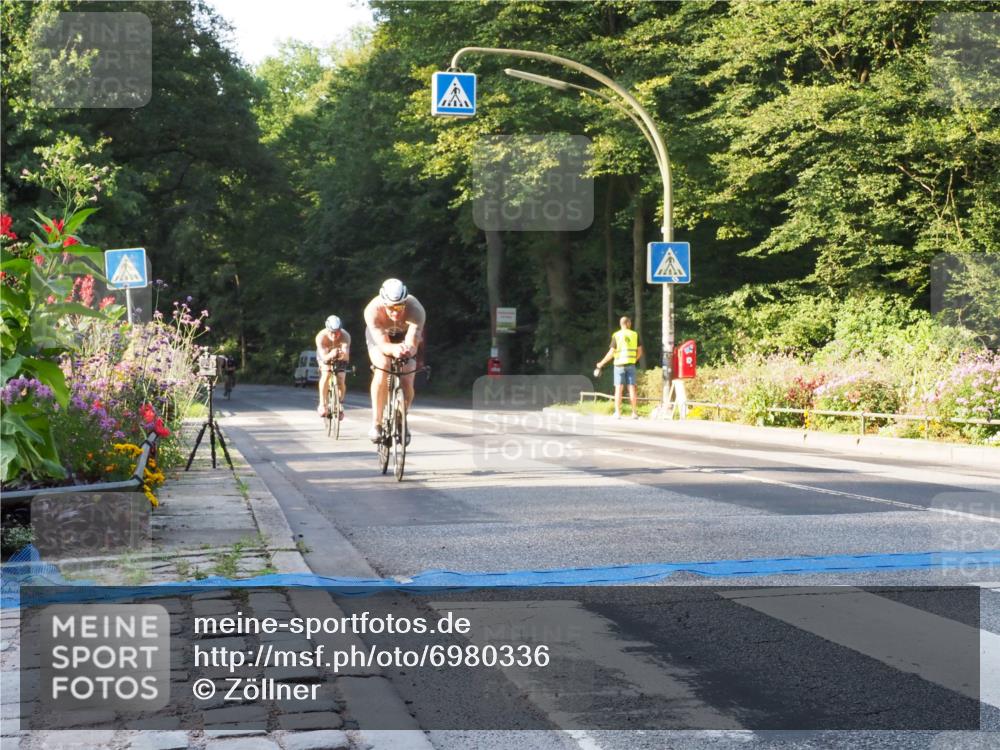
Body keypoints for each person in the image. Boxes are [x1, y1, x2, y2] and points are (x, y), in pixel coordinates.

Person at [364, 278, 425, 443]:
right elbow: (383, 344)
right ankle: (376, 423)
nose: (395, 312)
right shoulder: (372, 310)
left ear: (405, 302)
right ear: (383, 303)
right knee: (383, 366)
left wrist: (407, 349)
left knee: (408, 375)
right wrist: (393, 349)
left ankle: (401, 417)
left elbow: (413, 342)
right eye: (390, 307)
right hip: (380, 338)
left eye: (399, 306)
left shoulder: (416, 309)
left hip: (404, 337)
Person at [595, 316, 644, 419]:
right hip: (631, 365)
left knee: (618, 389)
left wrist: (601, 363)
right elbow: (640, 351)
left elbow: (611, 352)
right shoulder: (635, 334)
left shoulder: (616, 335)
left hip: (619, 366)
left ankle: (618, 413)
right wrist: (634, 360)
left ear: (621, 324)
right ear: (629, 323)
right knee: (631, 389)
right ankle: (634, 413)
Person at [315, 315, 351, 418]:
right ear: (327, 330)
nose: (335, 335)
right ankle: (322, 404)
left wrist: (342, 354)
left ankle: (339, 404)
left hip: (339, 357)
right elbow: (324, 357)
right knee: (326, 375)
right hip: (325, 355)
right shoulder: (321, 337)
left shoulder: (346, 336)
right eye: (332, 332)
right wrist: (331, 354)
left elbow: (346, 355)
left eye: (337, 332)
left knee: (341, 378)